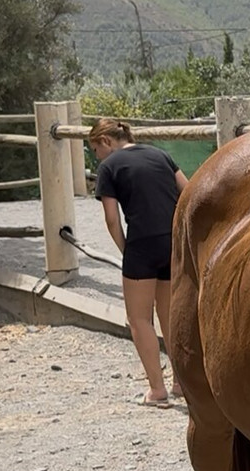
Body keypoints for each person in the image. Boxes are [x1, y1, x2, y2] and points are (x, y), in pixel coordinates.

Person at [89, 118, 188, 408]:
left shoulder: (108, 167)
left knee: (140, 319)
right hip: (173, 241)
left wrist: (126, 249)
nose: (97, 155)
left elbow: (111, 219)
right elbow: (189, 190)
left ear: (106, 141)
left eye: (95, 149)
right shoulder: (160, 155)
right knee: (170, 315)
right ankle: (181, 382)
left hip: (141, 245)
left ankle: (157, 391)